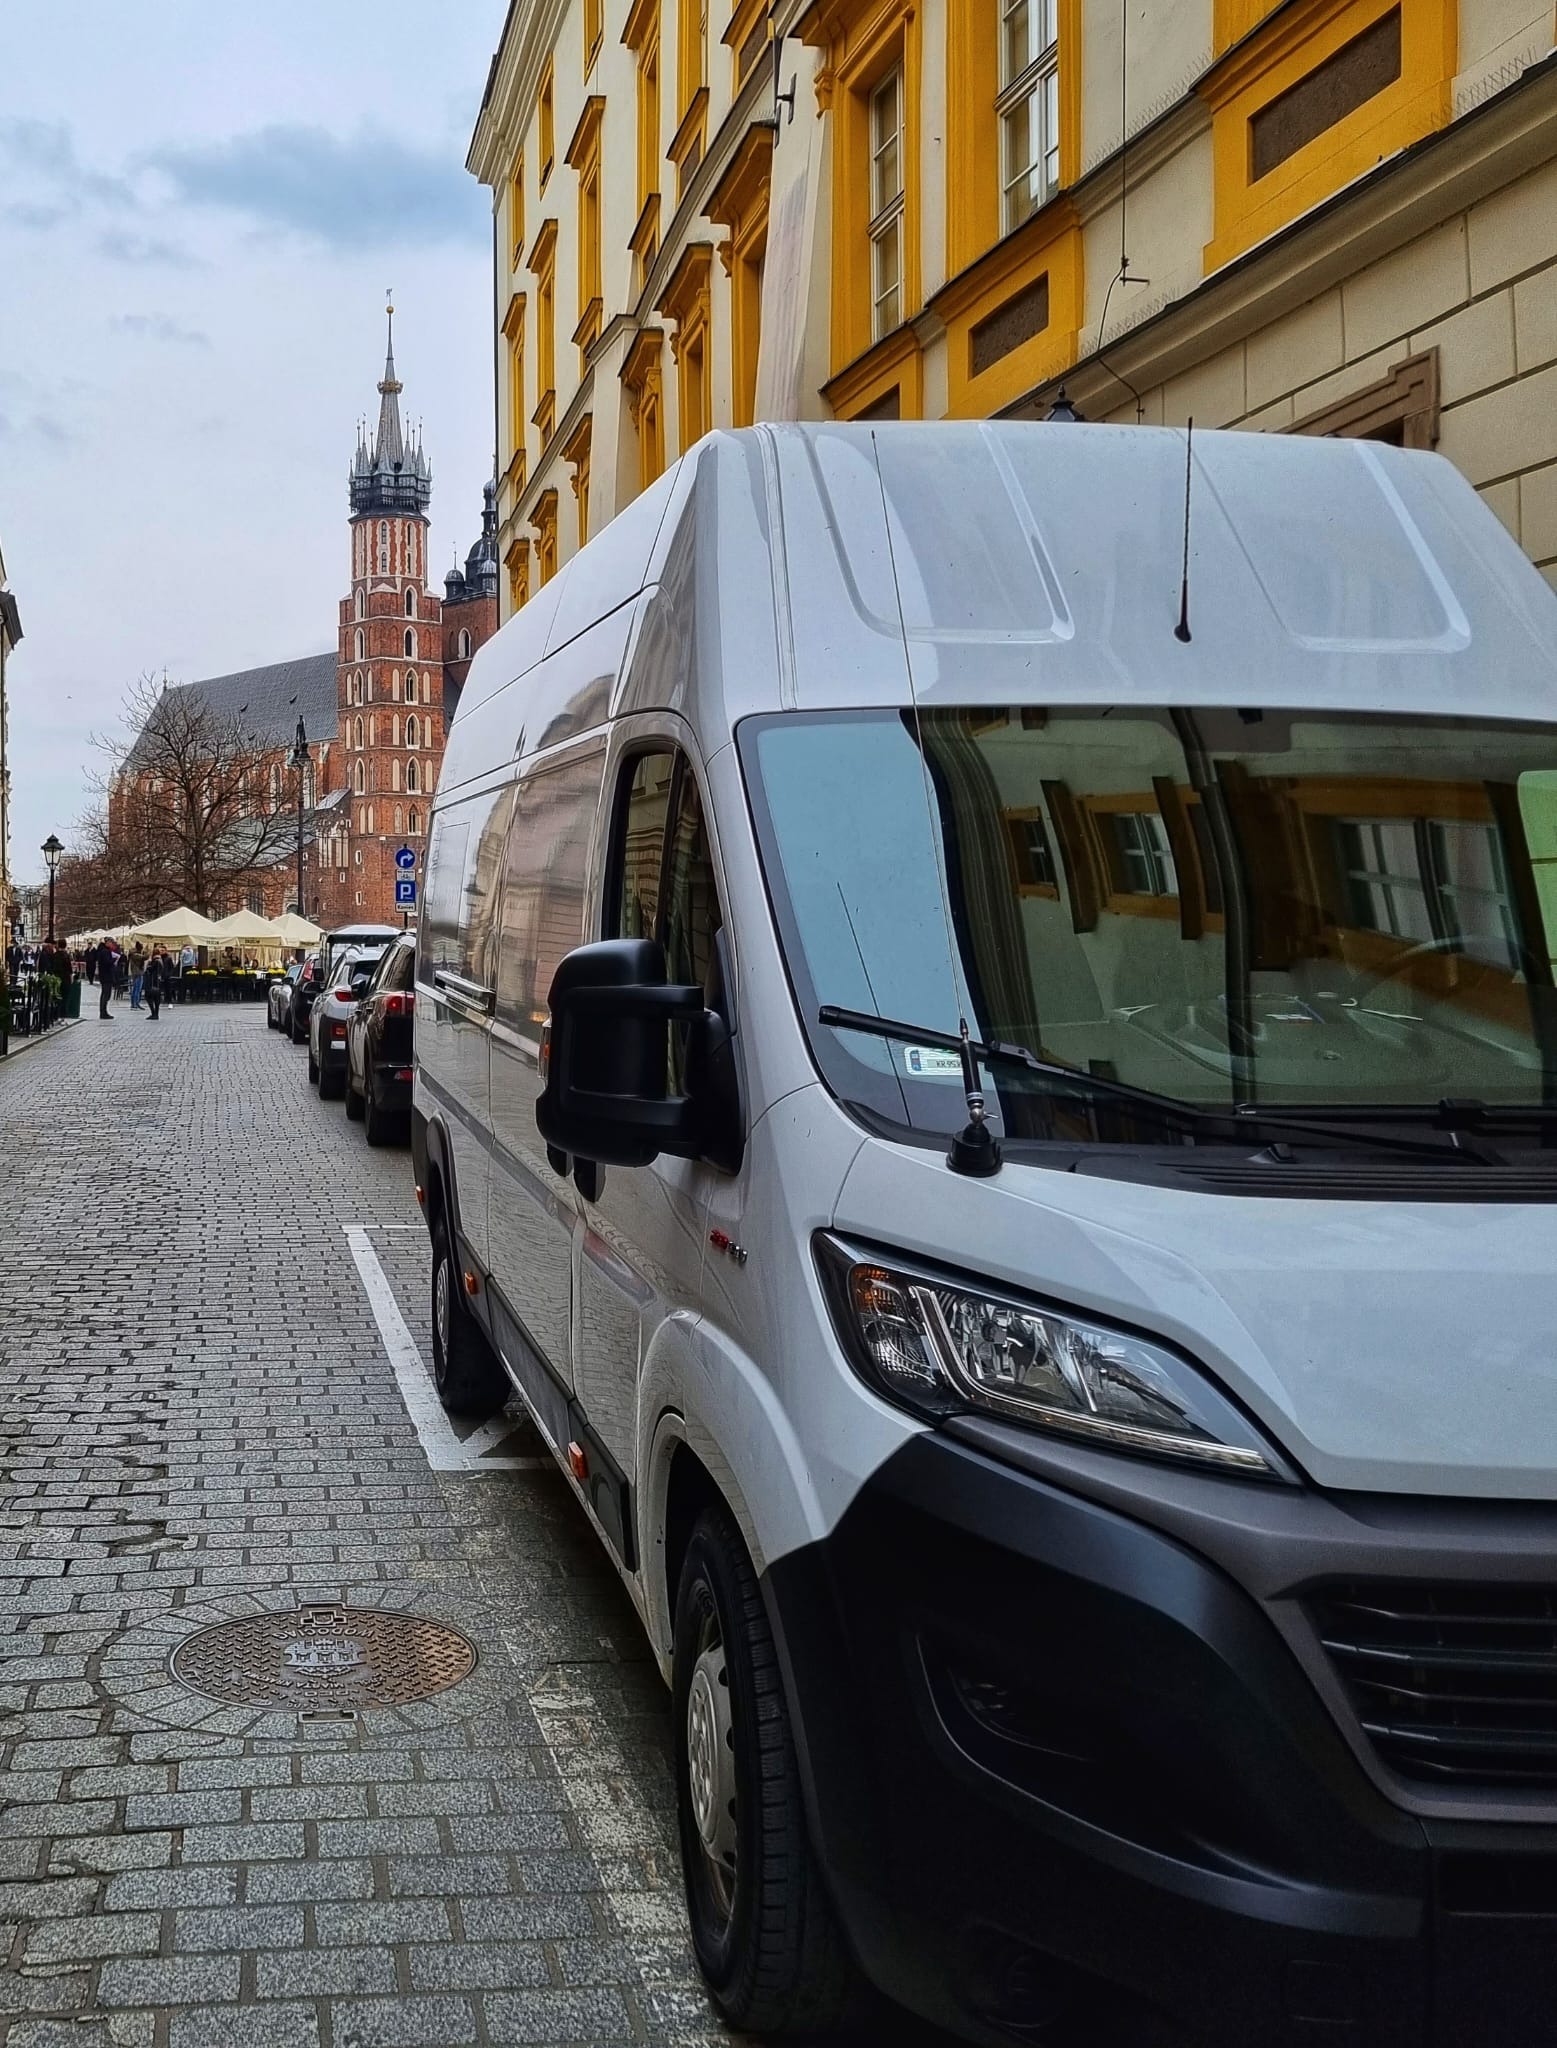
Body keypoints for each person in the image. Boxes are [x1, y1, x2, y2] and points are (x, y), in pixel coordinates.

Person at [143, 948, 167, 1021]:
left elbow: (149, 970)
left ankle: (153, 1013)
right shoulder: (161, 961)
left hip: (153, 983)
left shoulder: (155, 961)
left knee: (148, 997)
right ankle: (156, 1013)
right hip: (158, 983)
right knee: (157, 999)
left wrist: (147, 964)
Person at [94, 937, 115, 1020]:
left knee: (104, 994)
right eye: (111, 942)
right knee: (106, 994)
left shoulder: (102, 951)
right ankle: (103, 1012)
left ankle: (103, 1011)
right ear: (107, 942)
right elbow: (107, 963)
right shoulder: (105, 951)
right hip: (106, 975)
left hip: (103, 975)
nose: (112, 944)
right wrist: (113, 960)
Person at [128, 944, 146, 1009]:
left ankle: (134, 1003)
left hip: (135, 973)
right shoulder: (135, 955)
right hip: (138, 973)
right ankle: (135, 1003)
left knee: (135, 989)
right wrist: (148, 950)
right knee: (137, 989)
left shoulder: (132, 954)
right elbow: (145, 957)